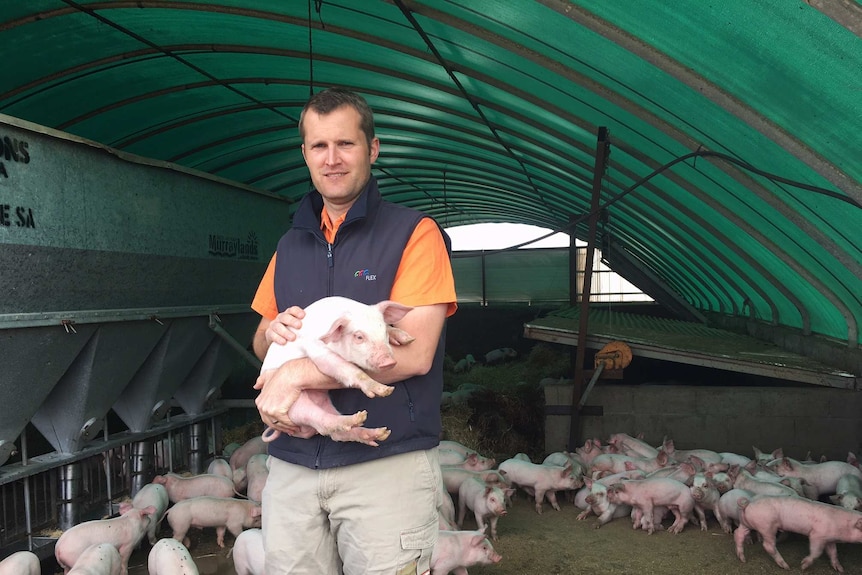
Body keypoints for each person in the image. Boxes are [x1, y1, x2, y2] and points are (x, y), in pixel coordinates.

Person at [249, 87, 457, 575]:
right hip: (294, 466)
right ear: (304, 154)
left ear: (373, 148)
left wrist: (295, 375)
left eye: (346, 144)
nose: (332, 159)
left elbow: (415, 355)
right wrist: (275, 330)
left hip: (384, 467)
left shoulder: (414, 234)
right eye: (319, 146)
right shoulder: (290, 243)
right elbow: (260, 338)